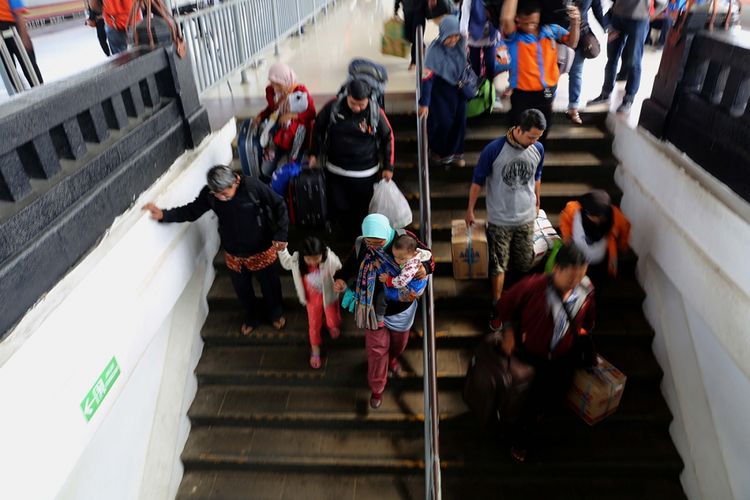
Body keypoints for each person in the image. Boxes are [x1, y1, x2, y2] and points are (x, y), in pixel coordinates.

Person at [143, 165, 289, 336]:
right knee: (242, 290)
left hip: (261, 248)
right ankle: (252, 317)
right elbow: (191, 211)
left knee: (270, 285)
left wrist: (281, 234)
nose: (221, 198)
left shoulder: (251, 187)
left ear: (235, 182)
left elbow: (279, 204)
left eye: (225, 194)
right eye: (217, 194)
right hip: (234, 253)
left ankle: (275, 314)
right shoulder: (210, 195)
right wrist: (164, 215)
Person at [489, 242, 596, 462]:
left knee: (553, 397)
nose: (575, 284)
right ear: (556, 269)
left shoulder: (586, 290)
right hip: (532, 356)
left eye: (580, 278)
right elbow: (505, 306)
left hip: (563, 357)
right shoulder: (533, 286)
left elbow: (589, 319)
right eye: (571, 278)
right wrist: (508, 332)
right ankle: (519, 441)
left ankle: (541, 424)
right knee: (529, 401)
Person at [333, 214, 434, 409]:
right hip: (372, 310)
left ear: (386, 234)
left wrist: (427, 268)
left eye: (377, 241)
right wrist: (341, 279)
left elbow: (427, 255)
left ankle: (394, 358)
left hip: (400, 311)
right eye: (369, 240)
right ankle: (377, 388)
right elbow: (349, 266)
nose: (373, 244)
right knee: (377, 350)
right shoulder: (362, 245)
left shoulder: (403, 240)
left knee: (399, 343)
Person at [466, 108, 546, 305]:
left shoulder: (538, 149)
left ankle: (518, 297)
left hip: (526, 217)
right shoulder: (493, 149)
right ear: (519, 129)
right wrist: (470, 210)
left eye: (538, 137)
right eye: (531, 136)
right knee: (498, 265)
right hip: (499, 219)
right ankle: (497, 304)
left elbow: (537, 175)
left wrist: (537, 200)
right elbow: (477, 181)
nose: (534, 141)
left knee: (524, 262)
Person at [309, 79, 395, 240]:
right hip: (336, 169)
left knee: (361, 210)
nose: (357, 108)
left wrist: (388, 167)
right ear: (347, 96)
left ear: (368, 99)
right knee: (338, 205)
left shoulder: (375, 112)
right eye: (353, 103)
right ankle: (340, 236)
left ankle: (358, 239)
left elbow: (387, 137)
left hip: (365, 172)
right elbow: (318, 127)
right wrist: (314, 153)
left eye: (361, 105)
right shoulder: (334, 106)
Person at [500, 0, 580, 141]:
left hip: (546, 92)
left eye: (534, 23)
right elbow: (506, 19)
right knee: (517, 133)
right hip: (522, 94)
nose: (530, 26)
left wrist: (575, 22)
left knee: (541, 132)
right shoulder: (514, 37)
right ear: (517, 18)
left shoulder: (551, 30)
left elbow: (572, 42)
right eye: (526, 23)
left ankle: (536, 160)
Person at [278, 237, 342, 370]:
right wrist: (282, 249)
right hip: (311, 301)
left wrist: (336, 275)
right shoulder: (297, 261)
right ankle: (315, 349)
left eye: (316, 258)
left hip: (329, 296)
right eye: (309, 259)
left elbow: (339, 265)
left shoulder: (328, 257)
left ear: (323, 254)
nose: (313, 262)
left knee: (334, 321)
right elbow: (285, 263)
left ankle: (330, 324)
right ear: (303, 257)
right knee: (314, 325)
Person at [419, 15, 468, 168]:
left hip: (459, 90)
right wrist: (424, 103)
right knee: (444, 123)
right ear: (442, 34)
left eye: (456, 35)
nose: (453, 40)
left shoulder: (461, 46)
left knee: (460, 122)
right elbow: (427, 79)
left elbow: (465, 67)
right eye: (449, 36)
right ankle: (438, 152)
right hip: (440, 92)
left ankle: (456, 153)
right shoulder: (433, 52)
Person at [254, 62, 316, 182]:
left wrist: (293, 115)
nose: (273, 86)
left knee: (292, 167)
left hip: (297, 136)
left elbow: (311, 113)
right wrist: (261, 116)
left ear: (286, 80)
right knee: (266, 169)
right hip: (279, 133)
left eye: (277, 84)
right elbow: (272, 108)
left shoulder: (299, 91)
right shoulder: (272, 92)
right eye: (272, 83)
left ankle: (290, 186)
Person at [586, 0, 651, 114]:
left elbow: (661, 2)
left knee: (634, 61)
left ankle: (628, 99)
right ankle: (605, 93)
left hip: (638, 19)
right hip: (618, 18)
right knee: (611, 58)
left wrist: (650, 13)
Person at [559, 190, 631, 286]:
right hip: (577, 258)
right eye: (592, 216)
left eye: (600, 217)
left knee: (596, 283)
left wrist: (622, 245)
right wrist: (567, 236)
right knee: (575, 282)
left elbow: (625, 228)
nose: (597, 220)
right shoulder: (574, 209)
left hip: (599, 262)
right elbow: (565, 219)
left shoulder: (615, 216)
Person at [566, 0, 607, 124]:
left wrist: (607, 26)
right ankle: (548, 100)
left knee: (576, 73)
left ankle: (573, 107)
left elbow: (597, 8)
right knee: (552, 71)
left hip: (580, 34)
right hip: (556, 34)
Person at [0, 0, 43, 89]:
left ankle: (23, 92)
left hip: (10, 28)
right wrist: (24, 35)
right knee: (26, 66)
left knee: (11, 69)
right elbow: (18, 11)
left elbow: (18, 11)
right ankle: (37, 91)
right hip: (10, 27)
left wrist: (23, 35)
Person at [378, 234, 433, 300]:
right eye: (395, 257)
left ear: (414, 254)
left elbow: (401, 282)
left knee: (390, 294)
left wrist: (388, 280)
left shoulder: (411, 266)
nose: (397, 261)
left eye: (401, 259)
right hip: (409, 279)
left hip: (415, 287)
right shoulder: (412, 253)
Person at [460, 0, 500, 82]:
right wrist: (464, 30)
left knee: (490, 63)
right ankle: (476, 87)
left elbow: (500, 10)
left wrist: (499, 30)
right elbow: (465, 10)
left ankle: (489, 86)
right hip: (474, 33)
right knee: (475, 64)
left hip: (490, 33)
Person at [395, 0, 427, 70]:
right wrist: (396, 7)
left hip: (420, 10)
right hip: (407, 10)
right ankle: (421, 44)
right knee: (408, 36)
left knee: (416, 35)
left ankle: (414, 61)